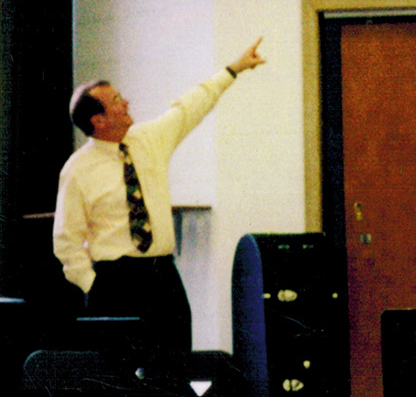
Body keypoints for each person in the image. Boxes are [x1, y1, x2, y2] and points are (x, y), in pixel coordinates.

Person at [53, 38, 266, 355]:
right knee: (119, 379)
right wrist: (92, 286)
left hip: (163, 276)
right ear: (98, 121)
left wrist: (233, 69)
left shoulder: (149, 139)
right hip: (114, 281)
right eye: (116, 100)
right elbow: (66, 240)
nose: (126, 102)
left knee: (175, 368)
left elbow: (190, 106)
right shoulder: (77, 170)